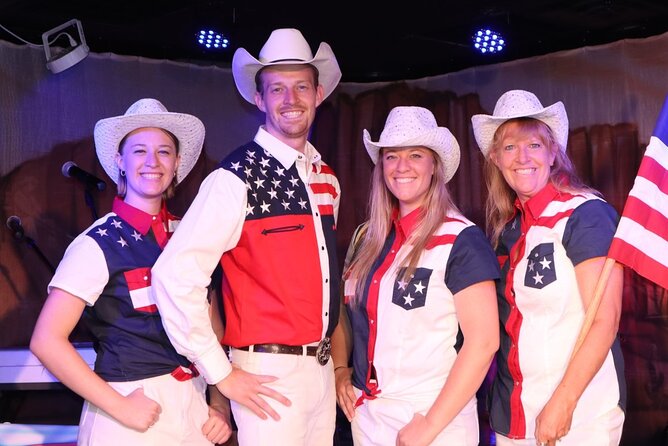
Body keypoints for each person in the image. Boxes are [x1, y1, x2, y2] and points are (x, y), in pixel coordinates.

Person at [150, 28, 342, 445]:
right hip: (267, 373)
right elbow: (174, 275)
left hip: (321, 369)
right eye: (277, 89)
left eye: (301, 87)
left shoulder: (325, 177)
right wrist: (219, 372)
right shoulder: (234, 178)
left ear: (319, 93)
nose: (290, 100)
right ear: (259, 99)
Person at [30, 98, 233, 445]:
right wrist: (121, 407)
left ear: (178, 163)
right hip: (128, 411)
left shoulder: (190, 235)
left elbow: (210, 324)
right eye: (139, 151)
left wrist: (220, 402)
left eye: (164, 152)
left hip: (195, 411)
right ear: (119, 161)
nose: (152, 162)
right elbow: (46, 340)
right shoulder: (95, 244)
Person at [331, 106, 501, 446]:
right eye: (392, 156)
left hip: (433, 419)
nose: (402, 166)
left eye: (415, 155)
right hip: (367, 416)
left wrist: (429, 425)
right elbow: (343, 314)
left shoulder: (461, 239)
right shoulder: (367, 239)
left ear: (434, 166)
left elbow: (484, 342)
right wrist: (339, 370)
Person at [471, 89, 626, 446]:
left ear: (553, 151)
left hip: (579, 416)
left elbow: (606, 319)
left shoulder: (585, 214)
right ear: (495, 157)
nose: (522, 157)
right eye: (510, 147)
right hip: (514, 418)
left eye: (534, 145)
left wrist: (563, 402)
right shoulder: (506, 231)